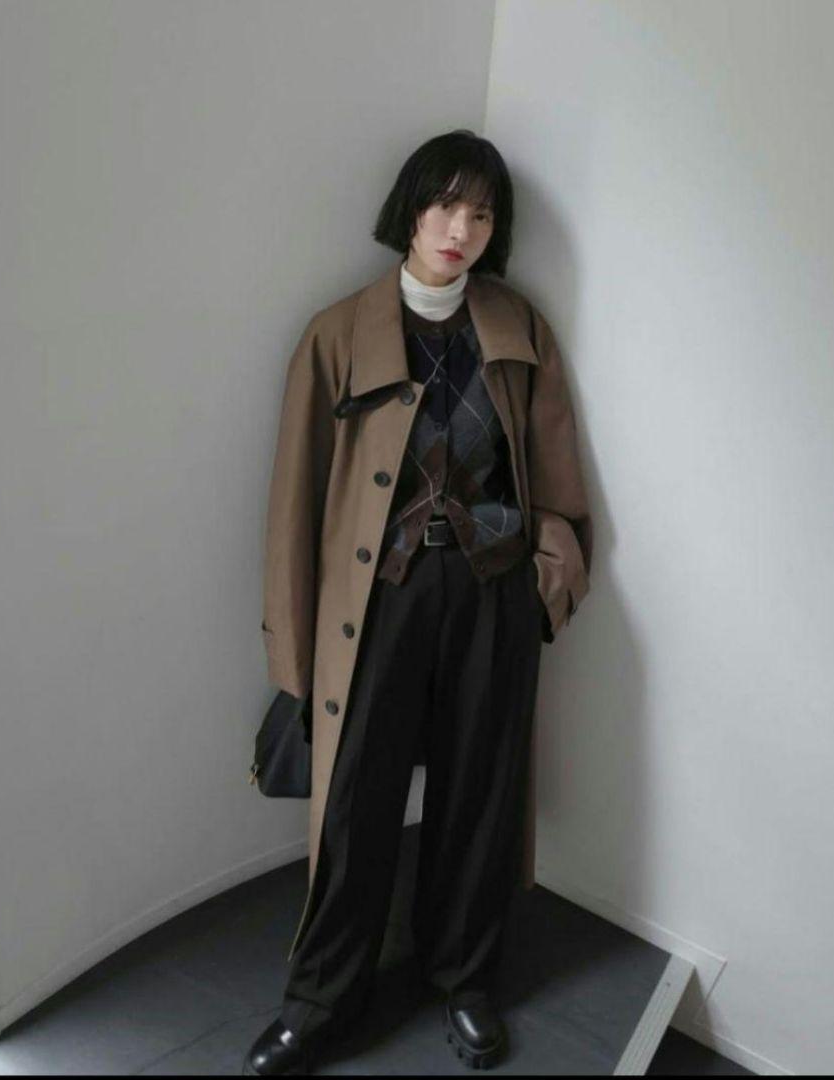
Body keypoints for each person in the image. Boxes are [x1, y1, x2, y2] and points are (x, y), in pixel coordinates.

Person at [245, 129, 592, 1075]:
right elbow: (293, 505)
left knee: (479, 795)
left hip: (489, 594)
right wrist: (294, 660)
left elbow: (557, 476)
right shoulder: (336, 335)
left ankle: (465, 979)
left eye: (480, 213)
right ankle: (322, 1000)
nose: (460, 228)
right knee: (354, 800)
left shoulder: (519, 330)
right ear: (409, 210)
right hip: (376, 603)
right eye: (444, 205)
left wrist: (545, 585)